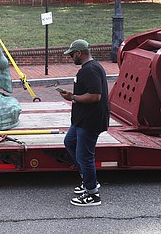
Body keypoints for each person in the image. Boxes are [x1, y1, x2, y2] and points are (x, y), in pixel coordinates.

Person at [58, 39, 110, 206]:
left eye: (72, 54)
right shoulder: (89, 69)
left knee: (85, 156)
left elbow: (95, 96)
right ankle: (88, 179)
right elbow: (88, 92)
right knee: (70, 142)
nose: (71, 57)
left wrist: (72, 97)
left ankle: (93, 194)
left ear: (80, 53)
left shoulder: (90, 70)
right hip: (81, 120)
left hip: (90, 121)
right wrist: (72, 95)